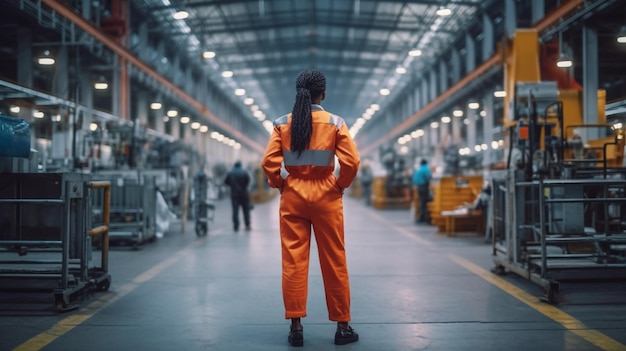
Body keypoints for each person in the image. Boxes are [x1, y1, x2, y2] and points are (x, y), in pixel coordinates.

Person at [261, 69, 360, 347]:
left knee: (294, 260)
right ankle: (342, 327)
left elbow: (268, 163)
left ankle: (296, 328)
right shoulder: (335, 122)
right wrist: (340, 185)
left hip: (293, 192)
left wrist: (279, 183)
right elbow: (351, 162)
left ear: (298, 93)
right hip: (327, 194)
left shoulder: (282, 124)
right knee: (334, 259)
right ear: (323, 94)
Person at [223, 160, 251, 231]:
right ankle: (247, 225)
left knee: (235, 211)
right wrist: (243, 186)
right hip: (244, 194)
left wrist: (232, 185)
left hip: (234, 194)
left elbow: (226, 181)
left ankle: (236, 226)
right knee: (246, 210)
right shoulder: (244, 172)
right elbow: (248, 180)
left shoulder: (231, 173)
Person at [413, 158, 432, 223]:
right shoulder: (426, 169)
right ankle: (425, 218)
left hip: (419, 187)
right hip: (424, 187)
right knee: (426, 202)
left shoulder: (418, 169)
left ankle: (421, 217)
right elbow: (429, 177)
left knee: (421, 202)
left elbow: (414, 179)